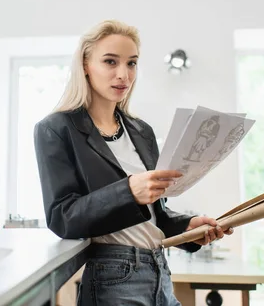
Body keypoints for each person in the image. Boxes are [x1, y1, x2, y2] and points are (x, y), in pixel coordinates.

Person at [33, 20, 233, 305]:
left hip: (160, 272)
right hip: (113, 278)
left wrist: (188, 227)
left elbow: (156, 215)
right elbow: (62, 217)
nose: (123, 75)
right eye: (110, 62)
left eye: (132, 63)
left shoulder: (141, 131)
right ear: (86, 65)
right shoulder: (56, 129)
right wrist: (128, 190)